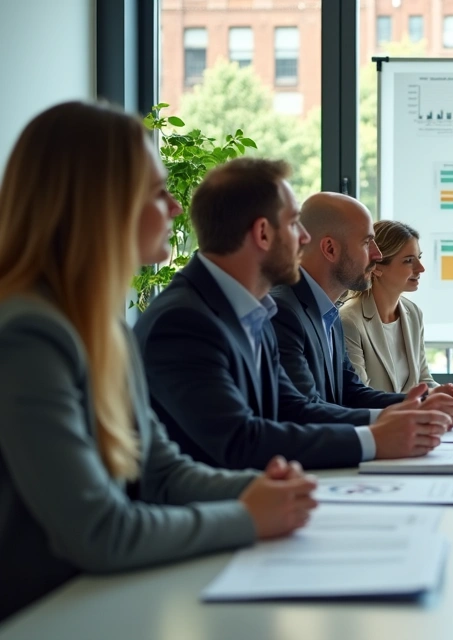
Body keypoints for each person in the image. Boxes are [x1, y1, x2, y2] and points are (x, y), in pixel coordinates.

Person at [0, 102, 318, 622]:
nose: (174, 208)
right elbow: (100, 532)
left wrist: (262, 490)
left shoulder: (105, 331)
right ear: (100, 204)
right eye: (156, 192)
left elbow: (163, 473)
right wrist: (248, 516)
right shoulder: (28, 335)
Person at [134, 158, 453, 471]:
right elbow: (240, 440)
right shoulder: (183, 320)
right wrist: (375, 438)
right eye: (292, 224)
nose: (304, 238)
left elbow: (290, 407)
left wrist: (395, 418)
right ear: (262, 234)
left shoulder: (254, 310)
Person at [271, 194, 453, 415]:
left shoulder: (327, 313)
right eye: (367, 243)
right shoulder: (283, 312)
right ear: (330, 249)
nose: (377, 255)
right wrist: (395, 421)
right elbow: (302, 411)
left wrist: (424, 401)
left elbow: (351, 393)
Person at [340, 219, 453, 411]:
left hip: (412, 427)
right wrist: (430, 402)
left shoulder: (413, 313)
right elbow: (361, 398)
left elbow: (423, 382)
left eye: (419, 257)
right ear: (377, 266)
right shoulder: (348, 319)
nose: (421, 268)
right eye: (409, 260)